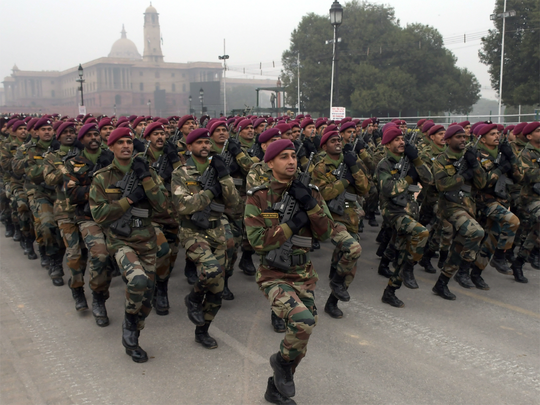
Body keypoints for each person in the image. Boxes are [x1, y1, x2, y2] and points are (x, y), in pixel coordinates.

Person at [244, 139, 333, 405]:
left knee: (301, 338)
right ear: (269, 163)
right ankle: (281, 365)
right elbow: (256, 240)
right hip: (273, 275)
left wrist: (311, 206)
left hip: (303, 273)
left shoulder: (311, 192)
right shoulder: (258, 196)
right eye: (283, 157)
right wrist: (293, 224)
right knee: (303, 321)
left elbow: (326, 232)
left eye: (294, 156)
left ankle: (275, 386)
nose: (291, 161)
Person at [90, 127, 169, 362]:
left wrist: (145, 179)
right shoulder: (102, 177)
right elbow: (100, 214)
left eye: (129, 142)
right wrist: (129, 199)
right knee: (138, 280)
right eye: (120, 142)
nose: (126, 145)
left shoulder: (148, 173)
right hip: (121, 240)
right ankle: (129, 329)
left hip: (146, 239)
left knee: (146, 300)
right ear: (111, 147)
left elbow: (163, 206)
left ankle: (133, 325)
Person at [171, 128, 240, 349]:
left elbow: (234, 201)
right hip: (192, 231)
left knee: (217, 290)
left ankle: (202, 331)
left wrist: (224, 176)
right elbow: (184, 206)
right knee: (211, 271)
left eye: (207, 143)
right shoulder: (180, 173)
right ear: (189, 147)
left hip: (217, 230)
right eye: (199, 143)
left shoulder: (218, 169)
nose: (205, 146)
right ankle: (193, 298)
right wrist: (209, 192)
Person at [311, 130, 367, 318]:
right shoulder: (320, 167)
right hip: (331, 218)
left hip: (351, 217)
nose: (337, 143)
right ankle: (336, 283)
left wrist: (355, 168)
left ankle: (332, 302)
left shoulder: (351, 162)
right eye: (332, 141)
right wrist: (344, 181)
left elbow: (365, 188)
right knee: (353, 249)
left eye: (338, 140)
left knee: (347, 263)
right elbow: (324, 193)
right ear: (324, 146)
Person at [64, 123, 115, 326]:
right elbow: (72, 194)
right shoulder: (72, 163)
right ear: (82, 139)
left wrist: (87, 188)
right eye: (89, 135)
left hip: (111, 215)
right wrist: (98, 187)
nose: (94, 138)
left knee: (110, 258)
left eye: (96, 134)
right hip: (87, 218)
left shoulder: (111, 158)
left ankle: (100, 292)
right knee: (99, 254)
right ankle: (98, 299)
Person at [376, 125, 432, 307]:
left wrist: (416, 160)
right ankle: (409, 267)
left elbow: (429, 179)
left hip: (409, 210)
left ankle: (390, 291)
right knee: (421, 233)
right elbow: (389, 189)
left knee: (402, 250)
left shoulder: (410, 160)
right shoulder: (384, 164)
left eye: (402, 139)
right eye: (397, 140)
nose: (401, 142)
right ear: (387, 143)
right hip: (392, 211)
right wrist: (408, 179)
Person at [431, 125, 487, 300]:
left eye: (464, 136)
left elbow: (482, 183)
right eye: (458, 137)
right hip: (450, 206)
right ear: (448, 140)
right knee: (476, 231)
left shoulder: (469, 157)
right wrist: (464, 175)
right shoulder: (440, 160)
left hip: (467, 206)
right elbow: (442, 185)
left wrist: (475, 165)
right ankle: (464, 270)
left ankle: (442, 282)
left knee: (459, 245)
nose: (463, 139)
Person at [13, 117, 65, 285]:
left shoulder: (61, 148)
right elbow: (30, 174)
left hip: (60, 193)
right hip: (39, 192)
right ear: (36, 132)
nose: (47, 132)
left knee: (64, 229)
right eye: (43, 129)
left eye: (49, 129)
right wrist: (50, 169)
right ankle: (53, 260)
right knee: (48, 225)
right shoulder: (28, 149)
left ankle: (56, 253)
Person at [470, 124, 521, 288]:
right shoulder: (477, 155)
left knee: (491, 240)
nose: (497, 136)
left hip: (501, 201)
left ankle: (476, 273)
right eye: (492, 134)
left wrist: (511, 158)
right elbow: (482, 182)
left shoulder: (502, 153)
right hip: (483, 202)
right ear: (483, 139)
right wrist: (500, 169)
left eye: (498, 133)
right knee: (512, 221)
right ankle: (500, 256)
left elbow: (519, 178)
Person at [513, 122, 540, 277]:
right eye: (538, 131)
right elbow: (529, 175)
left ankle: (520, 260)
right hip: (531, 197)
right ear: (529, 136)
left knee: (536, 230)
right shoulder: (525, 153)